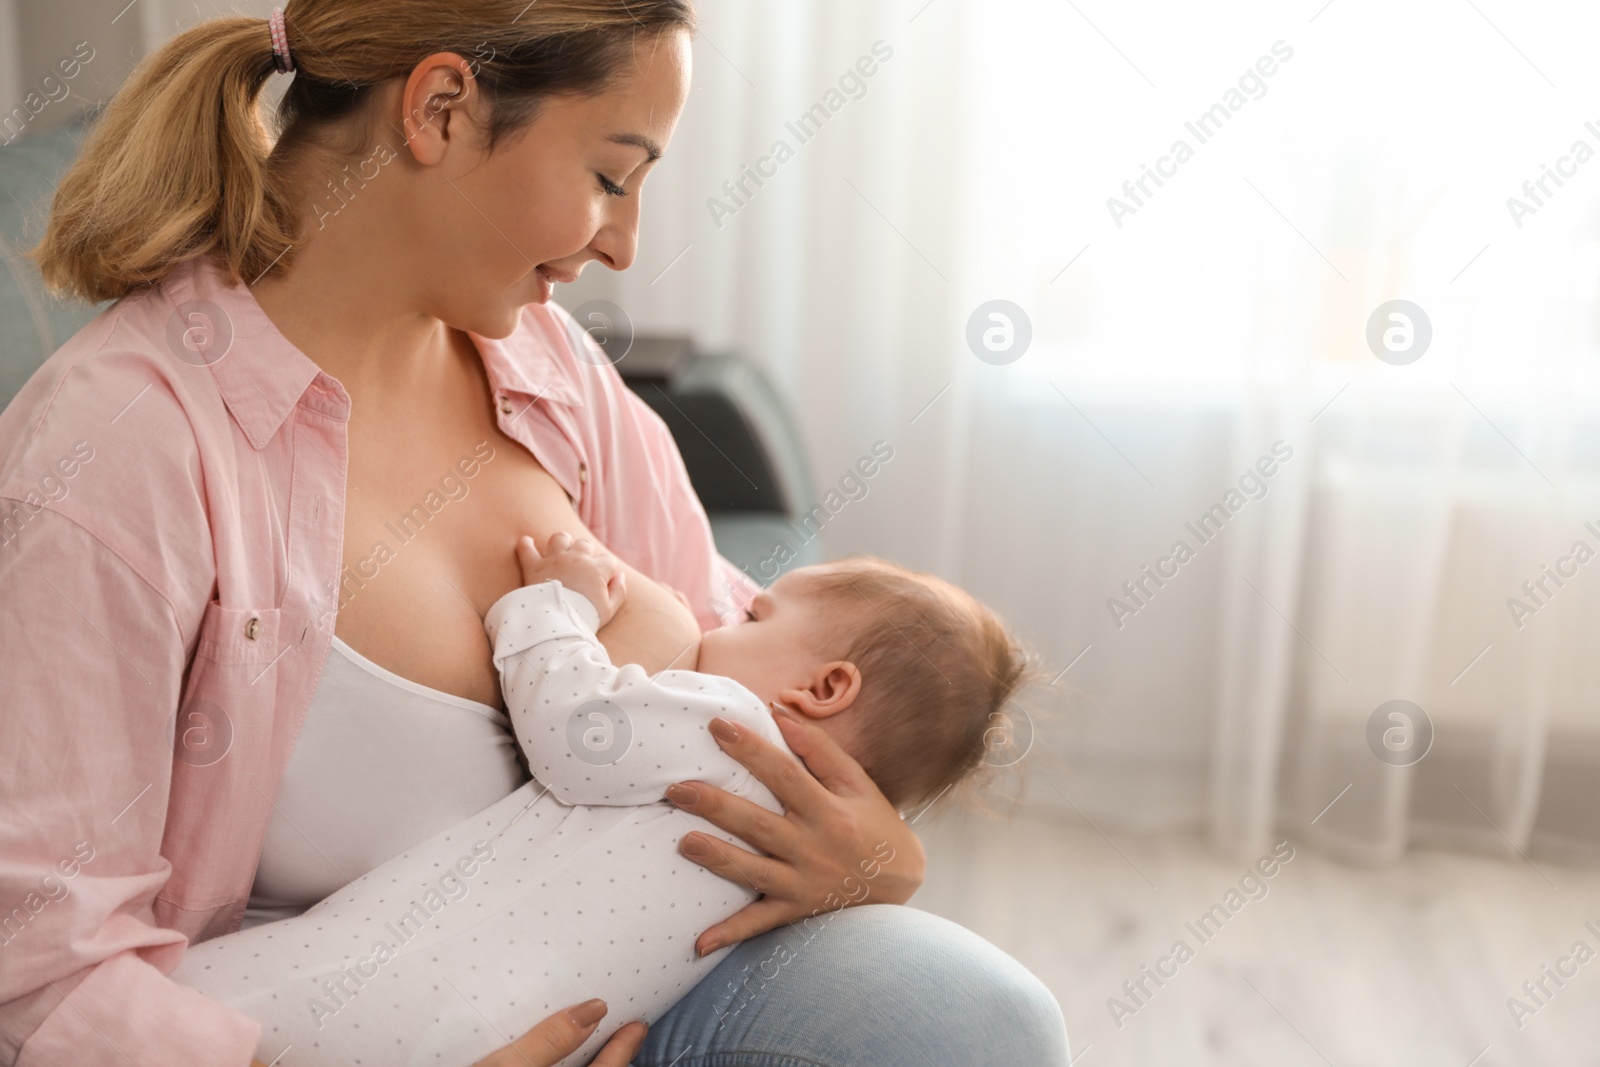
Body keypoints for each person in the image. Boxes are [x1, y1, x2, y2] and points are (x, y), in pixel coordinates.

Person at [0, 3, 1070, 1065]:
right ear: (442, 108)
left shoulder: (547, 369)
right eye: (611, 175)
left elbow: (736, 660)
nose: (624, 241)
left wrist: (870, 853)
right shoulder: (118, 452)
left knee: (973, 1016)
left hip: (635, 988)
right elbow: (39, 971)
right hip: (326, 1033)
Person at [170, 539, 1031, 1066]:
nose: (719, 613)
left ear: (823, 687)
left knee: (179, 1006)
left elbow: (576, 726)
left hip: (388, 993)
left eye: (753, 613)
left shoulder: (732, 725)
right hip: (511, 1033)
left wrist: (555, 602)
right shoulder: (783, 854)